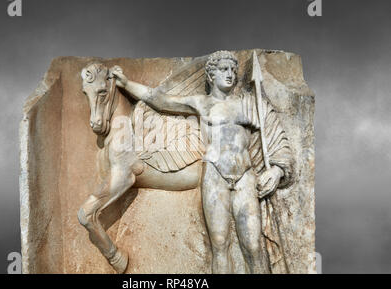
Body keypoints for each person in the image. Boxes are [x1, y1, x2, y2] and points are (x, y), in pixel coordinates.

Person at [112, 51, 294, 274]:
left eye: (233, 70)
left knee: (253, 246)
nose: (229, 74)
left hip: (245, 175)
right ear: (211, 75)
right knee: (219, 244)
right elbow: (159, 99)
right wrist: (127, 83)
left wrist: (276, 170)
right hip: (215, 174)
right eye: (223, 69)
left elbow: (276, 135)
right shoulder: (202, 103)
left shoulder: (249, 104)